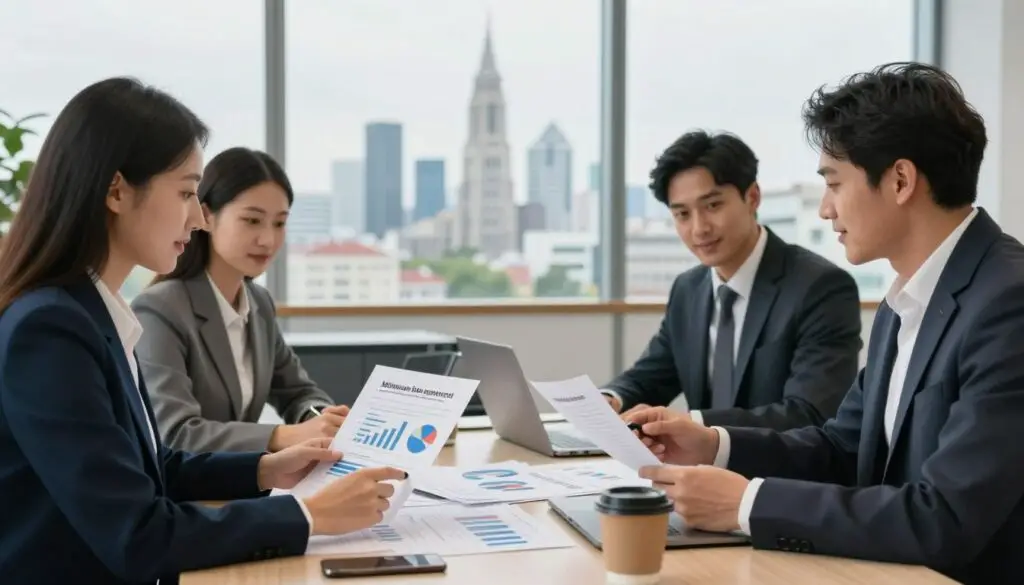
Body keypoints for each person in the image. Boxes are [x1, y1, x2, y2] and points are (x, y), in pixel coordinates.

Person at [630, 62, 1024, 585]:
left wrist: (747, 503)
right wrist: (716, 445)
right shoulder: (906, 298)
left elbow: (946, 518)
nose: (824, 209)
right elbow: (843, 447)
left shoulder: (1007, 302)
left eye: (834, 183)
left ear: (901, 180)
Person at [0, 77, 405, 585]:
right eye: (187, 192)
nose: (197, 217)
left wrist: (265, 469)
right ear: (117, 190)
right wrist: (310, 515)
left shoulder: (93, 313)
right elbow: (138, 534)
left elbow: (149, 467)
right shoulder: (51, 330)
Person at [601, 130, 862, 430]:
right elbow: (652, 376)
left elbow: (810, 413)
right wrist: (610, 399)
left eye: (712, 206)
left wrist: (694, 425)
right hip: (696, 472)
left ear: (752, 197)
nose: (699, 228)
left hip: (776, 472)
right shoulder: (688, 289)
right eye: (683, 214)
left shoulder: (820, 288)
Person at [132, 146, 347, 454]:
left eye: (279, 223)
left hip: (243, 487)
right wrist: (283, 436)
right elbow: (175, 433)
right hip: (186, 495)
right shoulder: (160, 309)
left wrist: (322, 418)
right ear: (206, 216)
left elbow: (297, 392)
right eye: (252, 220)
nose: (268, 240)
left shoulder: (258, 304)